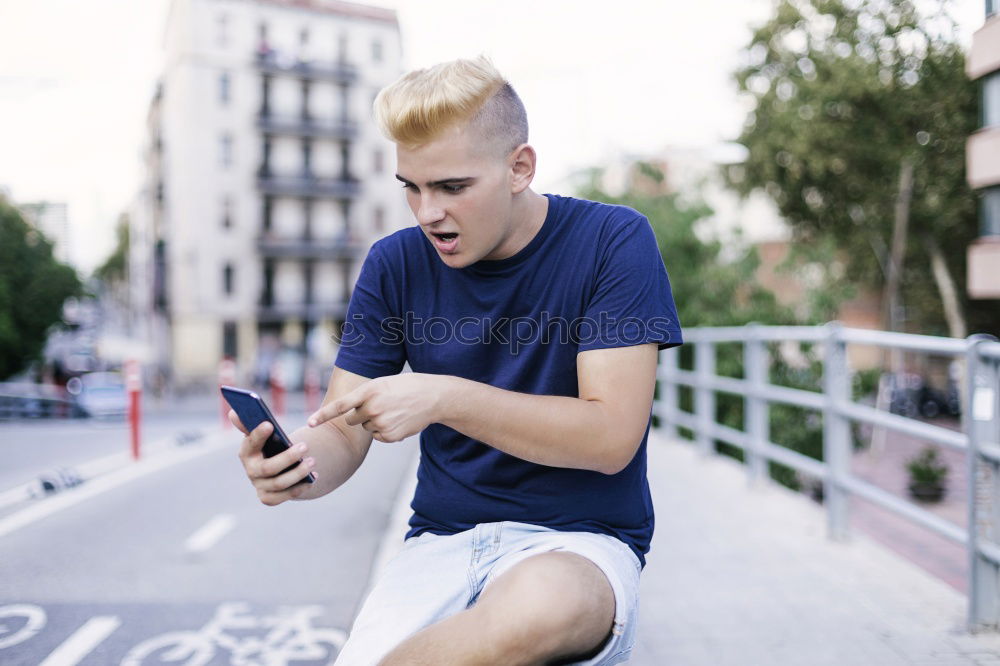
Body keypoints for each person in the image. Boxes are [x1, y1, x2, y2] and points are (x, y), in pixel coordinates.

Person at [231, 56, 682, 666]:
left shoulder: (612, 240)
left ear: (519, 167)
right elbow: (343, 428)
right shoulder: (394, 264)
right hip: (439, 546)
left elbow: (609, 438)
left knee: (534, 611)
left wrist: (444, 397)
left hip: (581, 545)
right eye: (411, 187)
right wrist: (296, 469)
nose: (426, 212)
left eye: (451, 187)